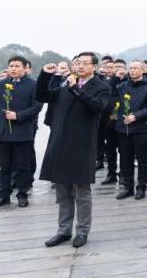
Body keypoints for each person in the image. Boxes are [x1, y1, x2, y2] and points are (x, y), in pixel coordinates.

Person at [37, 53, 112, 248]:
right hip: (60, 142)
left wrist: (75, 89)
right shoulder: (66, 83)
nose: (80, 66)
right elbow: (43, 96)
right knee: (62, 190)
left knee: (82, 191)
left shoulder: (102, 87)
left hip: (82, 144)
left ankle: (82, 231)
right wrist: (46, 75)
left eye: (85, 63)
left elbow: (96, 107)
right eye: (78, 63)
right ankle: (63, 230)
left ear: (94, 67)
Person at [0, 56, 44, 209]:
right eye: (11, 66)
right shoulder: (2, 84)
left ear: (25, 68)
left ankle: (22, 194)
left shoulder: (33, 85)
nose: (13, 69)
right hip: (3, 131)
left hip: (22, 131)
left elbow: (36, 107)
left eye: (17, 66)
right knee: (4, 167)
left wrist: (18, 115)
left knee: (23, 167)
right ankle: (3, 196)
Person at [114, 60, 147, 200]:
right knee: (125, 159)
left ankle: (141, 187)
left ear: (142, 70)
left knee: (142, 160)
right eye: (131, 68)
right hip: (123, 128)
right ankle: (128, 188)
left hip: (141, 128)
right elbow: (110, 91)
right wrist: (116, 76)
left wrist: (136, 116)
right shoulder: (123, 85)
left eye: (135, 68)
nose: (132, 71)